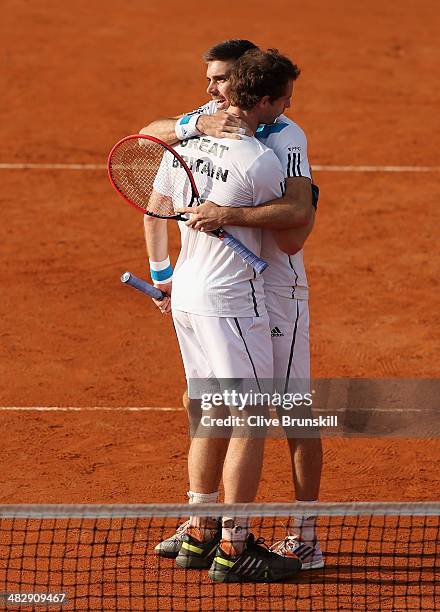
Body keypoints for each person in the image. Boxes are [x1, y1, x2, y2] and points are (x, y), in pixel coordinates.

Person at [143, 40, 324, 572]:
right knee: (223, 408)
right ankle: (220, 533)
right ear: (264, 94)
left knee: (290, 411)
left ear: (241, 84)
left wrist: (232, 211)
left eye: (219, 81)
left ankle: (303, 535)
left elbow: (290, 220)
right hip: (233, 291)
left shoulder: (286, 140)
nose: (210, 92)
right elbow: (154, 136)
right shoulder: (209, 127)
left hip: (275, 292)